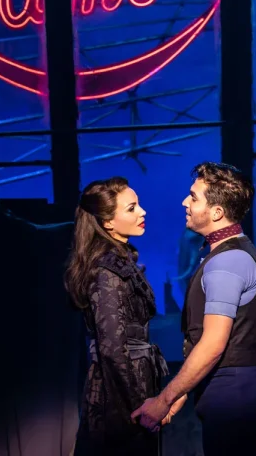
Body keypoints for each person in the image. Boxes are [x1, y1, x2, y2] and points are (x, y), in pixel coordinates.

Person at [132, 162, 256, 456]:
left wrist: (162, 400)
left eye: (194, 197)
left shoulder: (227, 262)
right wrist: (178, 396)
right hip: (235, 390)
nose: (185, 202)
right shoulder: (228, 254)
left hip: (234, 393)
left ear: (217, 212)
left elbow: (212, 345)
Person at [65, 177, 169, 456]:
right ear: (108, 222)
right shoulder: (107, 271)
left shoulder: (122, 262)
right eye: (132, 208)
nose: (142, 212)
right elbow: (112, 348)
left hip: (133, 383)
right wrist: (140, 407)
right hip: (119, 394)